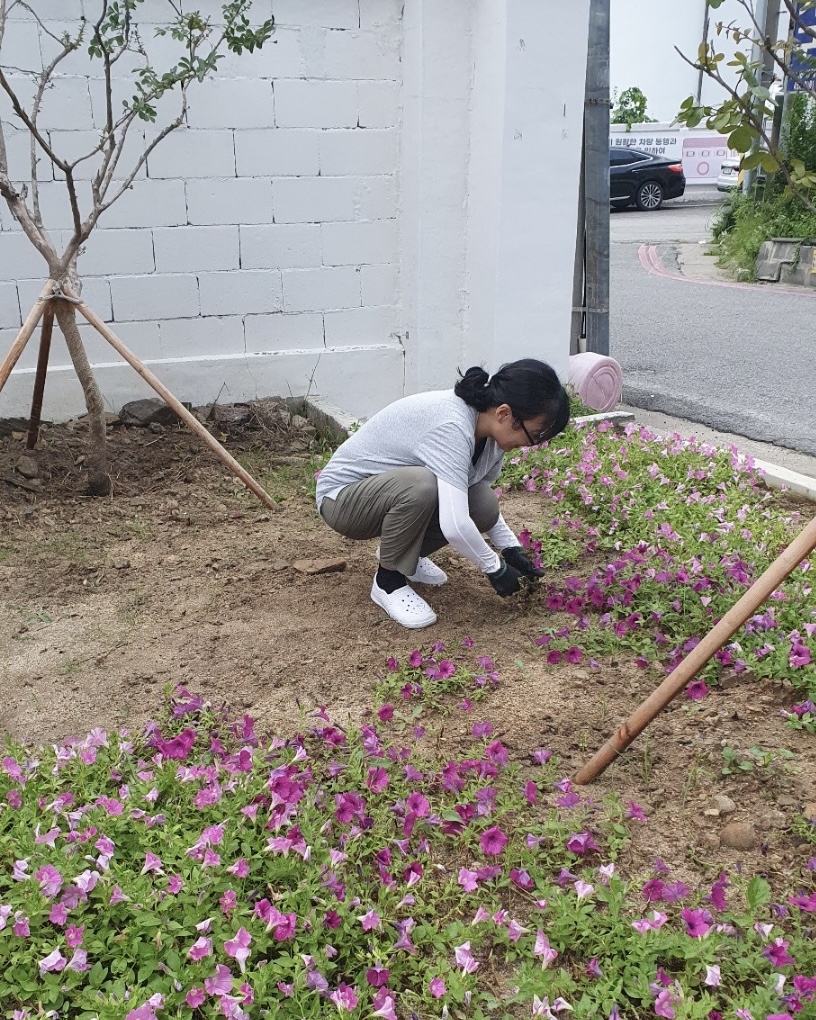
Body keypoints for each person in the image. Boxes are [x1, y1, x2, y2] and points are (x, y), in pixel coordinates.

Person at [315, 358, 570, 629]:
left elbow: (469, 499)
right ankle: (388, 583)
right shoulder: (452, 425)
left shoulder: (491, 439)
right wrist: (494, 568)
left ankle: (402, 556)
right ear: (505, 414)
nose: (531, 444)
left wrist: (510, 547)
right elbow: (455, 525)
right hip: (342, 499)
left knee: (483, 503)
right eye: (534, 435)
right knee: (421, 485)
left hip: (385, 493)